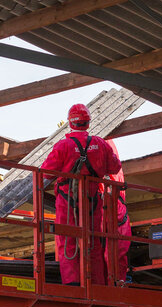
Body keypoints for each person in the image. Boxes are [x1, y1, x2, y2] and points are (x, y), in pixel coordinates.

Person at [41, 104, 121, 285]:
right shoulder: (100, 144)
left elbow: (46, 172)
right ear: (88, 122)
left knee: (67, 240)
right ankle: (97, 283)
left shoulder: (63, 145)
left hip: (68, 198)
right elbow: (115, 167)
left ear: (70, 122)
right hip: (92, 199)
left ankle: (72, 282)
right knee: (93, 241)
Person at [100, 139, 131, 283]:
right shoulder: (103, 143)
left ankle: (115, 284)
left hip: (111, 205)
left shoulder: (102, 144)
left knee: (112, 255)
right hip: (108, 204)